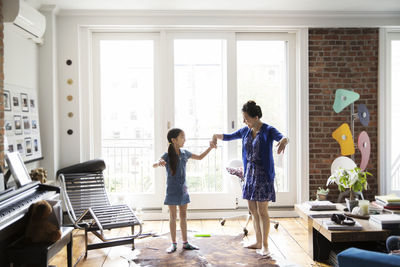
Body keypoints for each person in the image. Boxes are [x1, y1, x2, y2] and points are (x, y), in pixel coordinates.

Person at [212, 100, 288, 257]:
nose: (244, 121)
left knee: (263, 212)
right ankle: (258, 242)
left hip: (263, 175)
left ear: (255, 117)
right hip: (249, 175)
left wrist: (284, 141)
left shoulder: (268, 130)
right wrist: (214, 136)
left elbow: (283, 137)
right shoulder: (245, 131)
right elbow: (228, 136)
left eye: (246, 118)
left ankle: (266, 245)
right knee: (253, 211)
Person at [153, 128, 216, 253]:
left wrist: (210, 148)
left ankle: (185, 243)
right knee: (173, 216)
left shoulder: (184, 153)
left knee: (183, 215)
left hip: (183, 189)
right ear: (173, 140)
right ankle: (173, 243)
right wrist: (159, 162)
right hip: (171, 190)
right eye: (182, 137)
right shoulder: (167, 155)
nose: (184, 139)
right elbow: (155, 164)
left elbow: (200, 157)